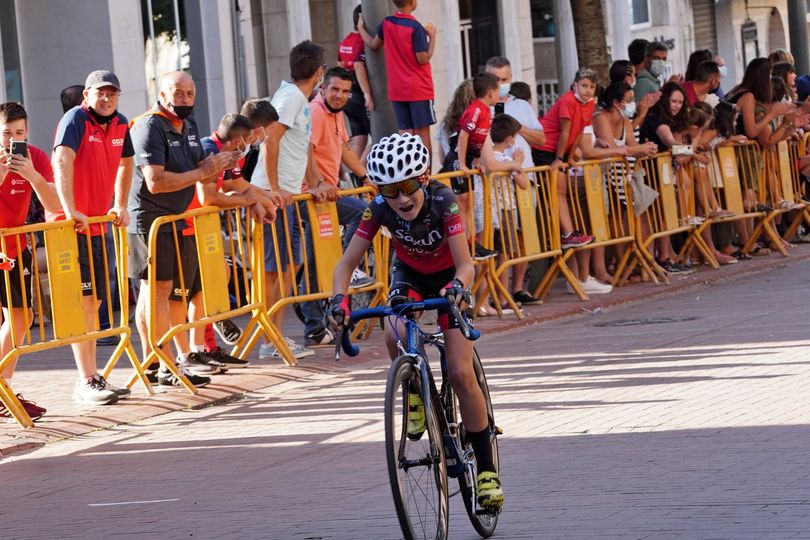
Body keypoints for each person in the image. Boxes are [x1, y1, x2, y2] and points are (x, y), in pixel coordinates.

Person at [326, 132, 504, 510]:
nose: (402, 199)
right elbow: (345, 263)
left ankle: (487, 472)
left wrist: (458, 286)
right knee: (394, 328)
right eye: (391, 191)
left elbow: (466, 264)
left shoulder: (443, 201)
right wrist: (339, 300)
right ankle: (413, 390)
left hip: (450, 280)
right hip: (409, 275)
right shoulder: (379, 208)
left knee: (460, 372)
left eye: (408, 187)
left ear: (423, 179)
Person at [128, 71, 240, 388]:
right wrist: (204, 172)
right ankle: (162, 363)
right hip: (149, 219)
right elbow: (155, 181)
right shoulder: (149, 125)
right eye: (178, 93)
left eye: (190, 94)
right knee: (155, 290)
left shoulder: (188, 125)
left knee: (164, 291)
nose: (185, 99)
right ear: (162, 94)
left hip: (176, 218)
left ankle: (158, 363)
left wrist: (222, 167)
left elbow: (200, 169)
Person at [51, 70, 135, 405]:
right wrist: (70, 210)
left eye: (112, 93)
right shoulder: (75, 119)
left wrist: (121, 204)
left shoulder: (121, 123)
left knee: (97, 303)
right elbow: (62, 160)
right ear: (87, 95)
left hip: (99, 226)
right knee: (84, 304)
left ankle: (94, 376)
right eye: (100, 93)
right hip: (74, 229)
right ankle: (85, 380)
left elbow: (127, 164)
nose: (107, 98)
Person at [257, 40, 327, 360]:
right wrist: (274, 188)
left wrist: (314, 183)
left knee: (288, 267)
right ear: (319, 72)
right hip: (275, 197)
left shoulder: (297, 98)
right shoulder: (292, 97)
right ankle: (269, 341)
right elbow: (270, 139)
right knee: (276, 270)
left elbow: (301, 149)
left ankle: (274, 337)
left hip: (287, 195)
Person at [299, 66, 371, 348]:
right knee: (363, 213)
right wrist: (316, 183)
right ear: (323, 88)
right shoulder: (315, 112)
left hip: (324, 195)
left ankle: (314, 329)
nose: (340, 95)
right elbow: (305, 150)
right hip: (311, 195)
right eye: (335, 89)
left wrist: (365, 177)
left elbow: (344, 149)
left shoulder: (336, 114)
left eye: (345, 91)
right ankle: (348, 266)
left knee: (314, 262)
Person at [0, 102, 61, 420]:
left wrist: (33, 176)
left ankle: (3, 388)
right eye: (6, 133)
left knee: (22, 317)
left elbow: (53, 203)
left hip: (14, 247)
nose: (13, 140)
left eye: (19, 132)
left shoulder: (34, 157)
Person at [484, 55, 547, 304]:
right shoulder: (481, 106)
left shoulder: (521, 105)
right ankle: (497, 293)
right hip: (496, 182)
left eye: (505, 79)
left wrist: (516, 126)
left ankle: (518, 288)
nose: (501, 84)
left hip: (523, 176)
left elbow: (541, 139)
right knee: (501, 239)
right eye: (496, 79)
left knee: (523, 235)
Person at [357, 0, 437, 158]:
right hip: (419, 89)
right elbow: (423, 59)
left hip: (397, 90)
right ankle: (425, 171)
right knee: (422, 134)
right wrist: (433, 37)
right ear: (412, 2)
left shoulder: (387, 23)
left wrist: (360, 28)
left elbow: (373, 45)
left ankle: (407, 170)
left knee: (405, 135)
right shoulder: (415, 27)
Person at [533, 68, 598, 249]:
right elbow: (565, 132)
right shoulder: (567, 100)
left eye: (592, 87)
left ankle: (568, 234)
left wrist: (569, 157)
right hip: (546, 148)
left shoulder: (590, 103)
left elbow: (579, 132)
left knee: (560, 191)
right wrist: (560, 158)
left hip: (560, 150)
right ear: (575, 85)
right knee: (558, 191)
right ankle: (567, 235)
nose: (588, 90)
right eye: (584, 85)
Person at [472, 114, 530, 316]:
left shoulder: (485, 158)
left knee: (490, 255)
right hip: (505, 211)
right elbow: (523, 184)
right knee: (504, 255)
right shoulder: (505, 160)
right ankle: (503, 298)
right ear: (510, 139)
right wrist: (518, 162)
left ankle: (487, 298)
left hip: (489, 213)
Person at [453, 71, 500, 246]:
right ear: (491, 93)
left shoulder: (487, 111)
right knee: (463, 202)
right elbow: (463, 136)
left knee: (470, 201)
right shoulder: (476, 110)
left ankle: (472, 243)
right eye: (498, 91)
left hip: (470, 158)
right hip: (458, 158)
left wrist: (478, 160)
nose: (499, 95)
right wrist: (462, 163)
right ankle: (464, 244)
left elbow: (480, 137)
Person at [338, 4, 374, 163]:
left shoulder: (346, 41)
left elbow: (339, 65)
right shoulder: (361, 41)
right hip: (359, 96)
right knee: (378, 138)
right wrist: (367, 94)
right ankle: (361, 173)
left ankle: (355, 173)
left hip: (349, 98)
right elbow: (359, 66)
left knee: (359, 138)